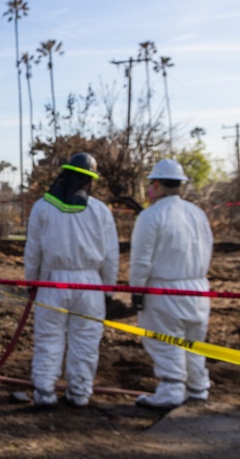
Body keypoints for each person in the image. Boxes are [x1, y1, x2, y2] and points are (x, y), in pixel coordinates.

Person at [24, 152, 120, 407]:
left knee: (48, 338)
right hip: (91, 286)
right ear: (89, 181)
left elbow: (33, 251)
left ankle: (44, 391)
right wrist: (109, 290)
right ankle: (79, 393)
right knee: (86, 340)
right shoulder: (100, 211)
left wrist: (31, 283)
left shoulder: (42, 208)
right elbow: (111, 255)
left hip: (52, 284)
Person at [130, 158, 214, 408]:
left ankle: (171, 391)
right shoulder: (197, 213)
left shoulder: (151, 215)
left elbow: (141, 259)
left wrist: (137, 290)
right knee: (193, 343)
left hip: (164, 290)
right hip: (198, 290)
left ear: (155, 184)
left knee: (166, 342)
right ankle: (198, 387)